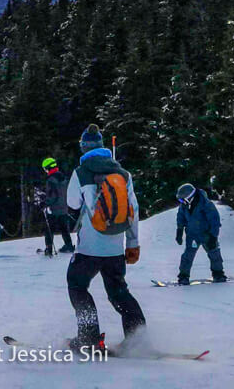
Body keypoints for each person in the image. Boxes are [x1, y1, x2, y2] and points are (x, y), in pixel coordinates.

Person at [66, 124, 145, 352]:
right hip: (115, 248)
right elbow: (134, 210)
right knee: (119, 291)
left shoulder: (80, 173)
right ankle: (137, 338)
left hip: (89, 247)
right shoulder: (123, 173)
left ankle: (88, 338)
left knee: (78, 286)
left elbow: (72, 203)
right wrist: (133, 244)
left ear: (83, 148)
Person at [175, 183, 227, 284]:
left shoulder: (206, 204)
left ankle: (218, 274)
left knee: (214, 254)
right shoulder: (184, 206)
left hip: (207, 234)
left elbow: (215, 220)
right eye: (180, 200)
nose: (181, 202)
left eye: (182, 199)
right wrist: (179, 231)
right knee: (188, 255)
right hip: (193, 235)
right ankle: (183, 276)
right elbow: (180, 217)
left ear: (190, 197)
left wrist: (213, 236)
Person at [41, 157, 74, 256]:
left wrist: (45, 203)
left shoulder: (51, 180)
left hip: (53, 209)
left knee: (49, 229)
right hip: (64, 207)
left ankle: (49, 248)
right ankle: (69, 245)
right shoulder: (63, 178)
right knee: (64, 228)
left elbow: (52, 196)